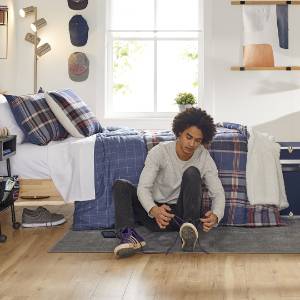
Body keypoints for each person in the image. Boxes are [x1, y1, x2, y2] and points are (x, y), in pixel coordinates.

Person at [112, 108, 225, 258]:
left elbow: (217, 192)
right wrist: (154, 210)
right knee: (121, 185)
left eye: (197, 140)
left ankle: (189, 231)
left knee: (192, 172)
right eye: (188, 137)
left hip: (182, 215)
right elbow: (143, 188)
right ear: (179, 132)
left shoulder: (203, 156)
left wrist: (216, 215)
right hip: (156, 213)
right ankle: (129, 237)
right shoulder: (160, 152)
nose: (191, 144)